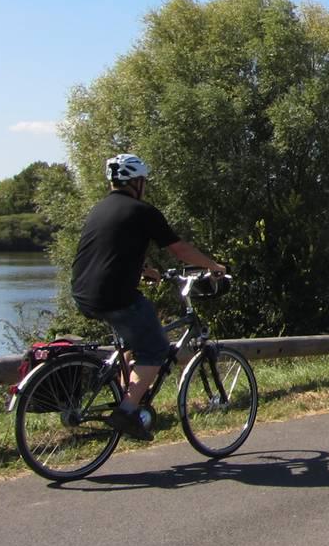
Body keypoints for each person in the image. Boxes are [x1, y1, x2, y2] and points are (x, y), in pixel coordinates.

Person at [71, 153, 226, 440]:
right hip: (114, 295)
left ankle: (124, 396)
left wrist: (143, 269)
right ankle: (127, 411)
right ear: (137, 182)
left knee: (134, 339)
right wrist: (213, 266)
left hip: (83, 292)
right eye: (144, 181)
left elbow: (107, 250)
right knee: (155, 348)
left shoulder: (100, 209)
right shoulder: (142, 211)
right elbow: (179, 249)